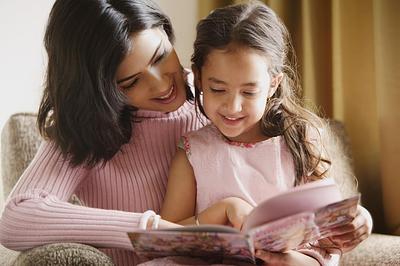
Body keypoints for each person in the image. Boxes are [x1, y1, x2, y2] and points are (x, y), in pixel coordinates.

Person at [159, 1, 372, 265]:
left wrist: (360, 220)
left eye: (249, 92)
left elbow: (328, 237)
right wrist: (225, 210)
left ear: (273, 84)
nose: (233, 106)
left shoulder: (301, 138)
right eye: (218, 89)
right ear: (200, 79)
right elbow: (165, 239)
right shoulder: (192, 151)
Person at [0, 0, 205, 265]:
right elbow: (18, 218)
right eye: (131, 81)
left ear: (165, 30)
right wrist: (150, 231)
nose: (161, 84)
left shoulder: (219, 93)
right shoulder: (87, 129)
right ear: (100, 90)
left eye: (160, 55)